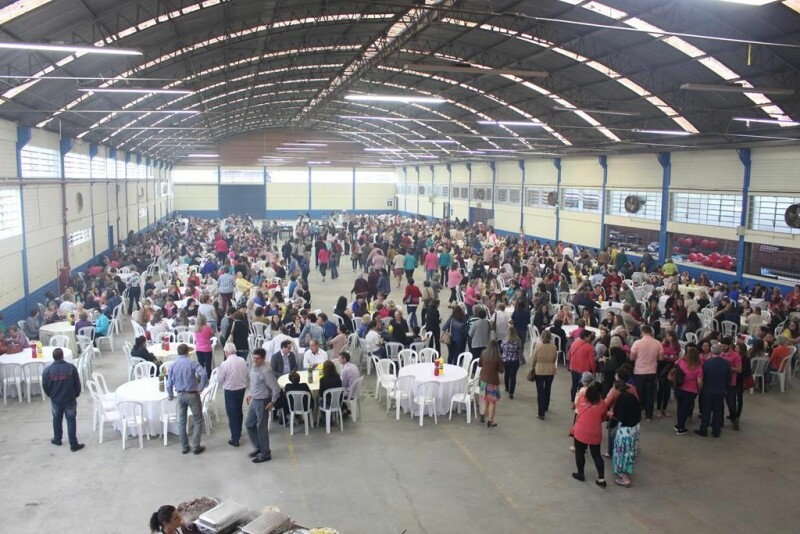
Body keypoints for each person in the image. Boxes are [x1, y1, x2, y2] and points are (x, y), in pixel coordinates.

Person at [166, 343, 208, 455]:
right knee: (198, 419)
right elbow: (203, 374)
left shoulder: (173, 365)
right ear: (187, 352)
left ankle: (184, 446)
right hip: (192, 394)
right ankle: (196, 446)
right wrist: (201, 386)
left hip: (180, 395)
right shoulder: (192, 362)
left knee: (182, 421)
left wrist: (170, 394)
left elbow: (169, 383)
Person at [41, 348, 84, 452]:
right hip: (69, 399)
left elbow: (45, 386)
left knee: (56, 419)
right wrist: (76, 394)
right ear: (62, 356)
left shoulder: (47, 371)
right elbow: (77, 384)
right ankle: (73, 443)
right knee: (71, 420)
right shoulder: (71, 368)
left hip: (56, 399)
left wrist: (51, 395)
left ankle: (57, 438)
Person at [245, 348, 280, 463]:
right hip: (254, 400)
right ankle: (259, 447)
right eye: (254, 358)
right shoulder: (254, 366)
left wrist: (272, 401)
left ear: (263, 359)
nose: (255, 360)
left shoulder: (266, 371)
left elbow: (275, 388)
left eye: (258, 358)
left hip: (263, 402)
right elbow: (254, 382)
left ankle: (265, 454)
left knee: (262, 429)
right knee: (249, 424)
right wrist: (250, 394)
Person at [571, 382, 607, 488]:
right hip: (595, 432)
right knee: (596, 455)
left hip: (580, 431)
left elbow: (576, 405)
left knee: (579, 452)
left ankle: (580, 473)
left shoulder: (582, 399)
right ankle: (601, 479)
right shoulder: (602, 404)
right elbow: (604, 417)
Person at [216, 343, 249, 447]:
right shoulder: (242, 361)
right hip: (241, 389)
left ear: (226, 353)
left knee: (232, 414)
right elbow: (246, 374)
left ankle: (235, 439)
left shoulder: (225, 364)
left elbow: (219, 379)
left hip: (230, 390)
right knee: (239, 411)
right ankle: (238, 431)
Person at [696, 344, 731, 438]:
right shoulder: (726, 363)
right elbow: (728, 378)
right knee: (718, 411)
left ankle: (703, 429)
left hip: (708, 390)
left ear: (711, 352)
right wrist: (726, 389)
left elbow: (702, 377)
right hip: (720, 390)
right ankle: (716, 430)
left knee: (706, 410)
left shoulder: (707, 363)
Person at [629, 325, 663, 421]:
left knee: (639, 394)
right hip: (652, 371)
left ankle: (637, 414)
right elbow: (661, 358)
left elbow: (632, 358)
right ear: (651, 332)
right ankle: (649, 416)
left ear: (642, 333)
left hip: (639, 371)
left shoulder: (637, 343)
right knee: (650, 394)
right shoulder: (657, 343)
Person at [611, 380, 641, 488]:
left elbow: (618, 416)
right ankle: (626, 471)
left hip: (625, 430)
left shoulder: (621, 399)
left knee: (621, 452)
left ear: (616, 389)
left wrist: (612, 421)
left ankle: (624, 478)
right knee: (630, 451)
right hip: (635, 428)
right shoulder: (632, 396)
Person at [674, 346, 704, 435]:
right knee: (685, 409)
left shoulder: (681, 362)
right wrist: (700, 390)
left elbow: (675, 366)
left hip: (679, 388)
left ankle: (679, 424)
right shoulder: (698, 368)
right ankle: (681, 427)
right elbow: (700, 382)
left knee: (680, 408)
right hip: (691, 390)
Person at [531, 330, 558, 419]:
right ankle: (546, 406)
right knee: (548, 388)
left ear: (542, 336)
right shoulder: (554, 347)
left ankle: (541, 413)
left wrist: (533, 367)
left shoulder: (538, 346)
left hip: (539, 370)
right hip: (550, 370)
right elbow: (554, 358)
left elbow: (534, 358)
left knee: (540, 391)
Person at [478, 341, 504, 427]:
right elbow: (501, 370)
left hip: (483, 380)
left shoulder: (483, 353)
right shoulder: (497, 357)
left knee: (484, 399)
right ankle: (490, 420)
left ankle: (482, 414)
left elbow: (479, 364)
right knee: (492, 401)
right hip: (492, 382)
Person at [567, 329, 596, 405]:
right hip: (584, 369)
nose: (590, 338)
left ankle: (572, 402)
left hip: (573, 367)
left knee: (574, 385)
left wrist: (569, 365)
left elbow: (569, 355)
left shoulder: (574, 343)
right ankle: (579, 403)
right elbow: (591, 361)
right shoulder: (589, 347)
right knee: (582, 387)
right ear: (586, 337)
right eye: (589, 336)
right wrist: (593, 371)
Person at [500, 327, 522, 399]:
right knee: (513, 376)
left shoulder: (504, 340)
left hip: (505, 360)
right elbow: (520, 349)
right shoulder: (518, 341)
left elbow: (502, 348)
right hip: (515, 360)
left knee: (506, 373)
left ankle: (507, 387)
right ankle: (511, 392)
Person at [193, 314, 215, 381]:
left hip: (198, 348)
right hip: (207, 348)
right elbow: (213, 334)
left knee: (201, 364)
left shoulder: (195, 329)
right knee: (208, 365)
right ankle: (209, 378)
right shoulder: (207, 328)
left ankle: (201, 377)